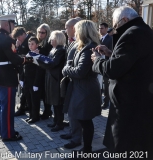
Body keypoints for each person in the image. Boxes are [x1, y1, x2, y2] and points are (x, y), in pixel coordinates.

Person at [91, 6, 153, 159]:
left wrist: (97, 61)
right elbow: (132, 62)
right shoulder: (146, 31)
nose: (115, 30)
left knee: (125, 150)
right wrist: (111, 54)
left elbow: (114, 70)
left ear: (124, 20)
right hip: (142, 102)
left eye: (115, 26)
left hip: (130, 107)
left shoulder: (132, 34)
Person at [0, 14, 32, 141]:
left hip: (0, 74)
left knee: (3, 107)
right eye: (13, 24)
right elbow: (15, 59)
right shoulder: (6, 39)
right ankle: (8, 135)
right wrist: (28, 59)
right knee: (7, 108)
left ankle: (5, 131)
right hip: (6, 76)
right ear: (7, 24)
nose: (14, 28)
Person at [62, 20, 102, 155]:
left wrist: (67, 68)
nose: (75, 33)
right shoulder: (86, 46)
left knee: (85, 121)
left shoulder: (89, 47)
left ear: (83, 31)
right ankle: (86, 149)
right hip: (82, 88)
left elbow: (80, 72)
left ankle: (87, 151)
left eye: (77, 30)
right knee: (84, 120)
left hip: (84, 90)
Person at [34, 31, 66, 132]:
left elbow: (53, 63)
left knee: (57, 102)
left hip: (56, 78)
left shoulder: (61, 50)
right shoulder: (54, 49)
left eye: (52, 39)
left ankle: (59, 123)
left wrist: (38, 60)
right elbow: (48, 60)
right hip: (51, 77)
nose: (50, 40)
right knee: (53, 101)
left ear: (57, 39)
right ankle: (56, 121)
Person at [60, 18, 83, 149]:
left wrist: (67, 69)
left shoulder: (81, 43)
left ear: (74, 28)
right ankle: (72, 132)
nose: (65, 30)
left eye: (67, 27)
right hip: (70, 79)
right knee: (70, 109)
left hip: (76, 81)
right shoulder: (71, 41)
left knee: (76, 111)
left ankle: (76, 138)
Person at [11, 27, 34, 117]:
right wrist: (17, 46)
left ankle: (25, 108)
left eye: (18, 37)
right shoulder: (20, 42)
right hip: (22, 69)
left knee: (26, 90)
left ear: (23, 34)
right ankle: (23, 107)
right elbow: (17, 55)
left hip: (29, 69)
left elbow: (29, 56)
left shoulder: (30, 40)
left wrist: (19, 47)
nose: (18, 39)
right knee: (23, 89)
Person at [36, 23, 53, 120]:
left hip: (45, 70)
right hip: (39, 70)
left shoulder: (48, 43)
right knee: (42, 92)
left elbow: (47, 57)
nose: (40, 34)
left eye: (43, 32)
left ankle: (47, 111)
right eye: (39, 32)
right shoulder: (38, 42)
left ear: (47, 33)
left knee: (46, 92)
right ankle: (46, 110)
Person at [99, 22, 112, 109]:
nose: (100, 30)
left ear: (107, 29)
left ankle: (106, 102)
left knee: (106, 85)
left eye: (102, 28)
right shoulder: (99, 39)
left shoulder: (110, 39)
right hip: (99, 64)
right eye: (99, 28)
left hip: (106, 64)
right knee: (100, 84)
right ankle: (99, 101)